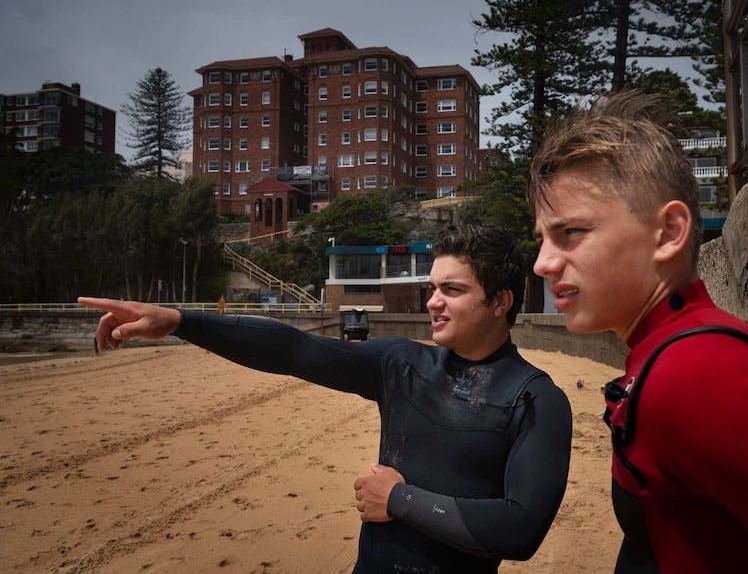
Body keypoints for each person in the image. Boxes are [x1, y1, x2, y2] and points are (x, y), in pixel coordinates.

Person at [78, 222, 573, 574]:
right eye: (432, 287)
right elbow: (295, 348)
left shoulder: (535, 400)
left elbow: (519, 531)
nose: (432, 301)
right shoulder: (401, 365)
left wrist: (398, 499)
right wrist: (182, 322)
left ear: (501, 301)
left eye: (452, 289)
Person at [527, 91, 748, 573]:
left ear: (668, 232)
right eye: (542, 239)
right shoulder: (669, 350)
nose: (543, 263)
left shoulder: (698, 373)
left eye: (571, 234)